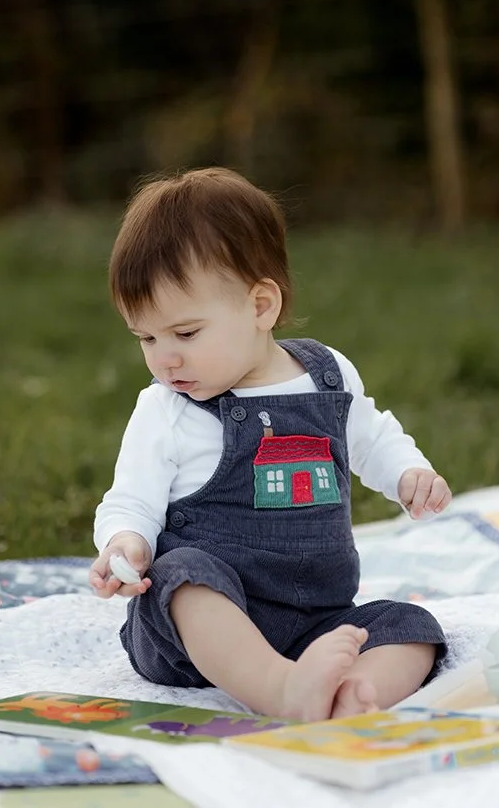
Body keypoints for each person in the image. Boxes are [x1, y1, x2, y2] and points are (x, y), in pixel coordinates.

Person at [90, 167, 451, 722]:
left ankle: (352, 694)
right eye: (147, 338)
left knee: (410, 626)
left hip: (317, 616)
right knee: (181, 571)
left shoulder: (327, 377)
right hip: (196, 635)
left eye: (185, 334)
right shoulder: (166, 410)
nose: (165, 357)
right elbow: (129, 499)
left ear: (261, 306)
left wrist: (408, 473)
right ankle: (279, 688)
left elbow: (372, 436)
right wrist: (125, 544)